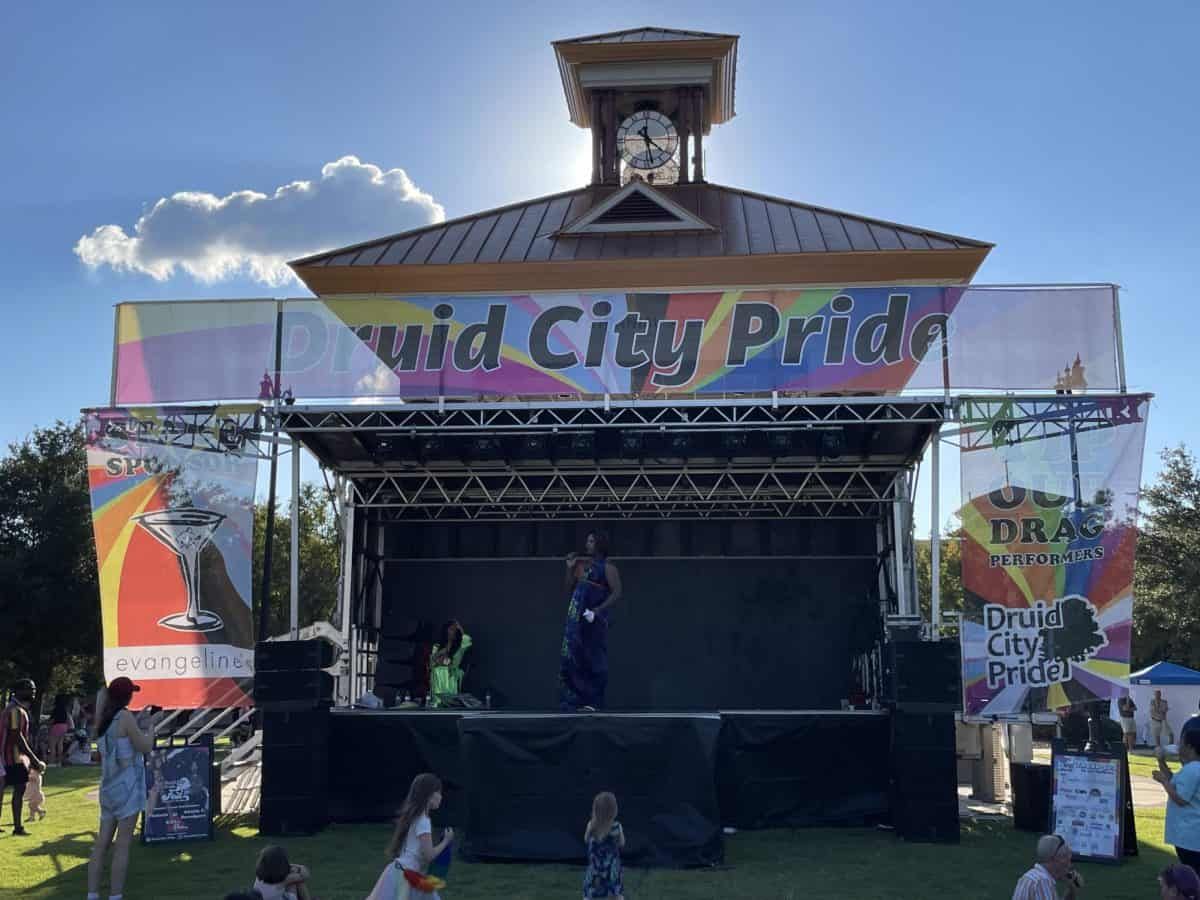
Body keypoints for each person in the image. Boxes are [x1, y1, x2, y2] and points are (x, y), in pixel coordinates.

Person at [86, 677, 154, 900]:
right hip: (128, 789)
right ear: (127, 695)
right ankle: (116, 895)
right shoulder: (125, 717)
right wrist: (150, 726)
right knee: (122, 845)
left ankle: (92, 894)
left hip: (108, 788)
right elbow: (144, 746)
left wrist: (139, 722)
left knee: (102, 844)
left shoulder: (103, 720)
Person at [559, 530, 623, 712]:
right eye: (587, 541)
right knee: (575, 658)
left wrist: (598, 610)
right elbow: (569, 588)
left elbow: (617, 592)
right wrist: (570, 567)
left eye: (591, 541)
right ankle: (575, 700)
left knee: (594, 659)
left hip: (594, 619)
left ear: (600, 544)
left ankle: (594, 702)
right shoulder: (582, 566)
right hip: (576, 618)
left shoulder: (608, 568)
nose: (587, 544)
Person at [367, 772, 454, 900]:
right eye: (439, 792)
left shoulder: (415, 817)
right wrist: (446, 841)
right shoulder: (423, 821)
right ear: (430, 795)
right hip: (406, 876)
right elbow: (429, 855)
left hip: (400, 872)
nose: (441, 797)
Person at [0, 678, 47, 836]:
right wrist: (33, 759)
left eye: (33, 689)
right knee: (19, 789)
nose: (32, 692)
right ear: (19, 691)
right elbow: (16, 736)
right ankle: (18, 827)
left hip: (11, 756)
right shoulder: (15, 710)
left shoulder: (15, 709)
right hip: (11, 757)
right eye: (29, 689)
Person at [1155, 727, 1200, 870]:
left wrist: (1163, 782)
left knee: (1193, 872)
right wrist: (1161, 761)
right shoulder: (1191, 768)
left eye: (1181, 743)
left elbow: (1181, 799)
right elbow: (1175, 781)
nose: (1178, 746)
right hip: (1190, 834)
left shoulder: (1193, 769)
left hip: (1190, 834)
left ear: (1190, 747)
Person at [1012, 834, 1083, 899]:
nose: (1070, 865)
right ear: (1056, 859)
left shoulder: (1033, 877)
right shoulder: (1042, 881)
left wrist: (1072, 889)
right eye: (1068, 860)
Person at [583, 791, 625, 900]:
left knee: (590, 892)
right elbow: (621, 843)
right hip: (612, 868)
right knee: (615, 893)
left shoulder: (591, 826)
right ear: (614, 810)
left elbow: (586, 840)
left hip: (595, 867)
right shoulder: (617, 827)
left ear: (595, 810)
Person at [429, 620, 472, 707]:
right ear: (446, 630)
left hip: (451, 679)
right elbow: (432, 662)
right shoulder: (437, 646)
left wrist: (461, 629)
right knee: (438, 704)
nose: (454, 631)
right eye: (451, 629)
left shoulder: (459, 648)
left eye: (456, 629)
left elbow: (467, 642)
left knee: (451, 704)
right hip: (438, 679)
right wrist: (443, 651)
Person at [48, 694, 75, 765]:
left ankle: (52, 762)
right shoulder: (65, 710)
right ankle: (59, 762)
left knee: (52, 745)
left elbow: (52, 720)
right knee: (60, 745)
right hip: (64, 727)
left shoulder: (55, 709)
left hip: (56, 726)